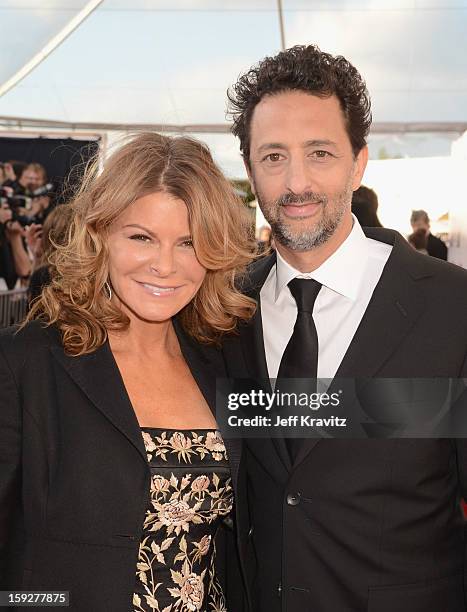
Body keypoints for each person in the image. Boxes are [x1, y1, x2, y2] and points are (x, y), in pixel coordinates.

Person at [215, 44, 467, 611]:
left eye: (320, 153)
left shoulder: (454, 309)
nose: (296, 182)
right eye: (273, 156)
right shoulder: (224, 313)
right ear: (251, 170)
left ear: (359, 162)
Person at [0, 132, 256, 611]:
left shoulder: (224, 361)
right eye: (141, 237)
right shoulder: (24, 364)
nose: (165, 265)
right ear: (100, 235)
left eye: (188, 243)